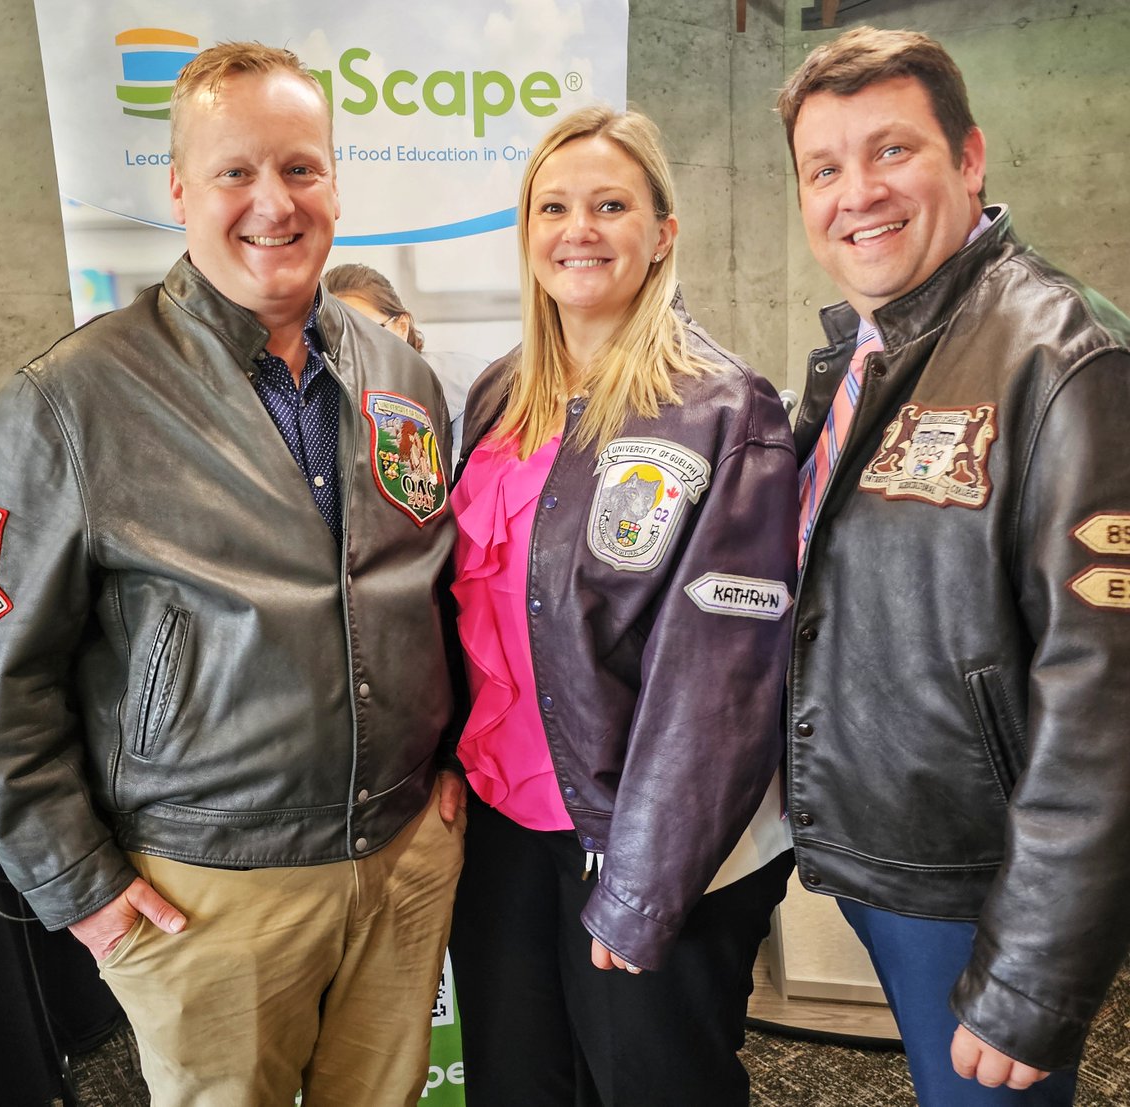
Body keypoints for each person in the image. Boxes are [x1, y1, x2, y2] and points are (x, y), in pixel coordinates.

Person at [0, 42, 464, 1107]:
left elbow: (429, 589)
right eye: (235, 172)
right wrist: (76, 884)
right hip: (208, 889)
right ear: (179, 189)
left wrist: (445, 759)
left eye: (301, 168)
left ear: (332, 181)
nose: (273, 201)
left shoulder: (399, 374)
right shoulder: (71, 401)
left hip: (402, 855)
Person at [778, 25, 1130, 1106]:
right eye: (824, 169)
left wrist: (1032, 974)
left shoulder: (1063, 358)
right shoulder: (867, 350)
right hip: (891, 859)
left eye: (892, 152)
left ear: (969, 158)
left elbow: (1106, 690)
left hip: (981, 885)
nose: (857, 194)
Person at [447, 105, 797, 1106]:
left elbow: (723, 688)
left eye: (611, 205)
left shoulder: (725, 408)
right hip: (503, 828)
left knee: (651, 1087)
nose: (579, 229)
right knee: (518, 1085)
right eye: (553, 207)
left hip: (644, 841)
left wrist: (643, 889)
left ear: (663, 232)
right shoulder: (498, 397)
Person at [323, 262, 487, 466]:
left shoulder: (467, 384)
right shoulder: (323, 402)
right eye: (336, 335)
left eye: (366, 331)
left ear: (401, 327)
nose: (352, 347)